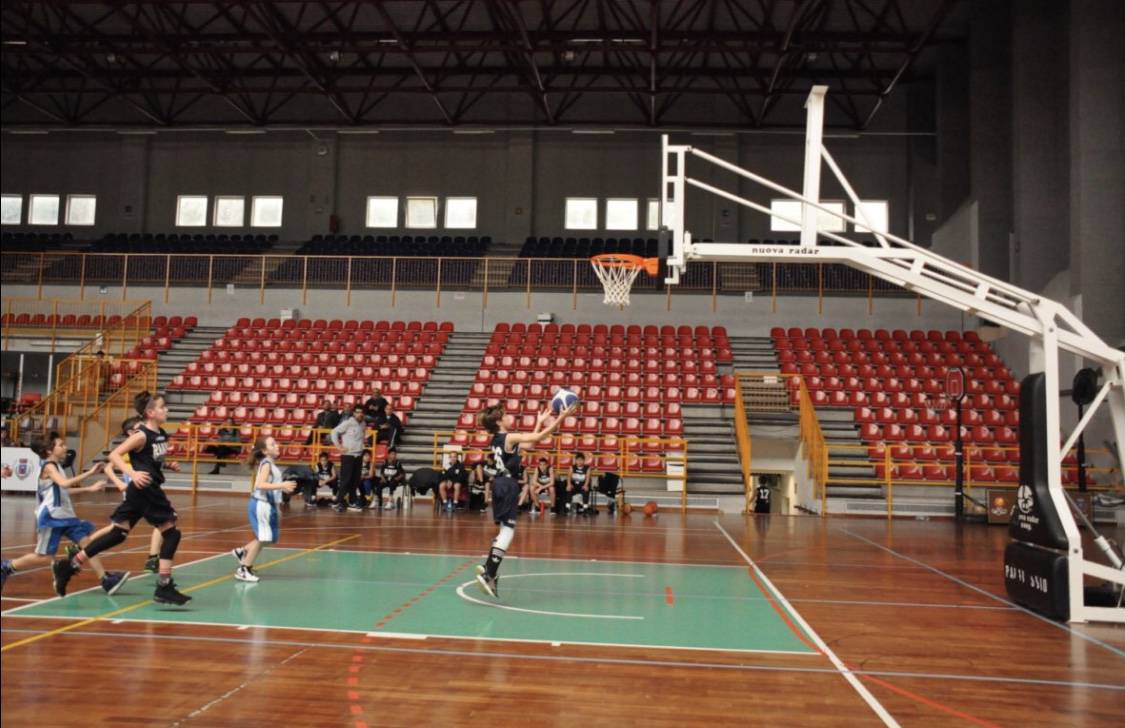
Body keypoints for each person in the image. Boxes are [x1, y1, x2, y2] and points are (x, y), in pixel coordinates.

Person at [52, 391, 191, 605]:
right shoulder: (141, 434)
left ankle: (69, 566)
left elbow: (152, 459)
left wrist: (167, 464)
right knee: (172, 534)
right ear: (150, 412)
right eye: (162, 407)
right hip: (145, 489)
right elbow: (115, 455)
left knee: (117, 534)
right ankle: (164, 586)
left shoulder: (161, 433)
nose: (167, 410)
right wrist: (132, 473)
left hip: (142, 490)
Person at [1, 433, 128, 596]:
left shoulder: (58, 466)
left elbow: (64, 489)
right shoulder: (49, 467)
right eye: (61, 445)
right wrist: (89, 473)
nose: (65, 447)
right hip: (51, 518)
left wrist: (88, 489)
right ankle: (6, 566)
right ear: (49, 451)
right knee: (44, 557)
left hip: (66, 516)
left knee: (88, 545)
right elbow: (64, 483)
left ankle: (105, 580)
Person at [474, 402, 573, 598]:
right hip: (508, 485)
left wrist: (538, 422)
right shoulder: (509, 436)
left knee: (504, 529)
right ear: (499, 420)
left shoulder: (497, 439)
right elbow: (539, 438)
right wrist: (561, 418)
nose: (511, 417)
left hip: (498, 484)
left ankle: (489, 566)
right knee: (508, 530)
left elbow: (529, 444)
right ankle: (490, 573)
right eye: (507, 415)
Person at [230, 436, 297, 583]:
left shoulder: (270, 463)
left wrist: (281, 489)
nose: (277, 445)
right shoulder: (266, 464)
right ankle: (244, 569)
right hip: (261, 504)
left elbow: (270, 484)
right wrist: (282, 485)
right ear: (265, 451)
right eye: (273, 444)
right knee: (263, 538)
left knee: (268, 538)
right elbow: (260, 484)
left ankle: (243, 551)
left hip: (268, 504)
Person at [330, 406, 366, 512]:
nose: (360, 414)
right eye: (357, 412)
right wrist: (339, 447)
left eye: (361, 412)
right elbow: (334, 432)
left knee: (355, 480)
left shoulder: (363, 423)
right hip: (348, 455)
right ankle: (339, 502)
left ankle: (352, 501)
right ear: (354, 413)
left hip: (358, 455)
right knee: (346, 480)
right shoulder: (348, 423)